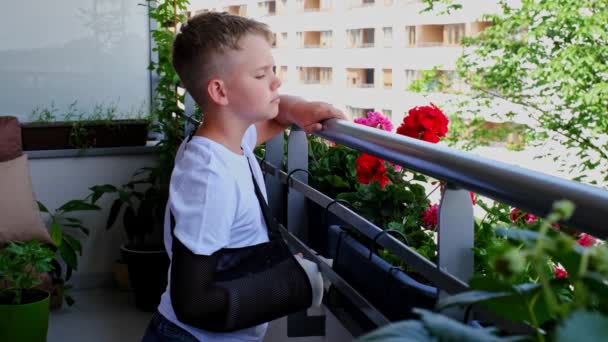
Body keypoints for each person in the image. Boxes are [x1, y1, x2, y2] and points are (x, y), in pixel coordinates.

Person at [141, 11, 345, 342]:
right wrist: (297, 284)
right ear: (220, 92)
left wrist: (302, 108)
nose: (276, 82)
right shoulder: (209, 176)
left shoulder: (228, 142)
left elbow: (277, 116)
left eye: (273, 70)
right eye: (261, 74)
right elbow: (192, 302)